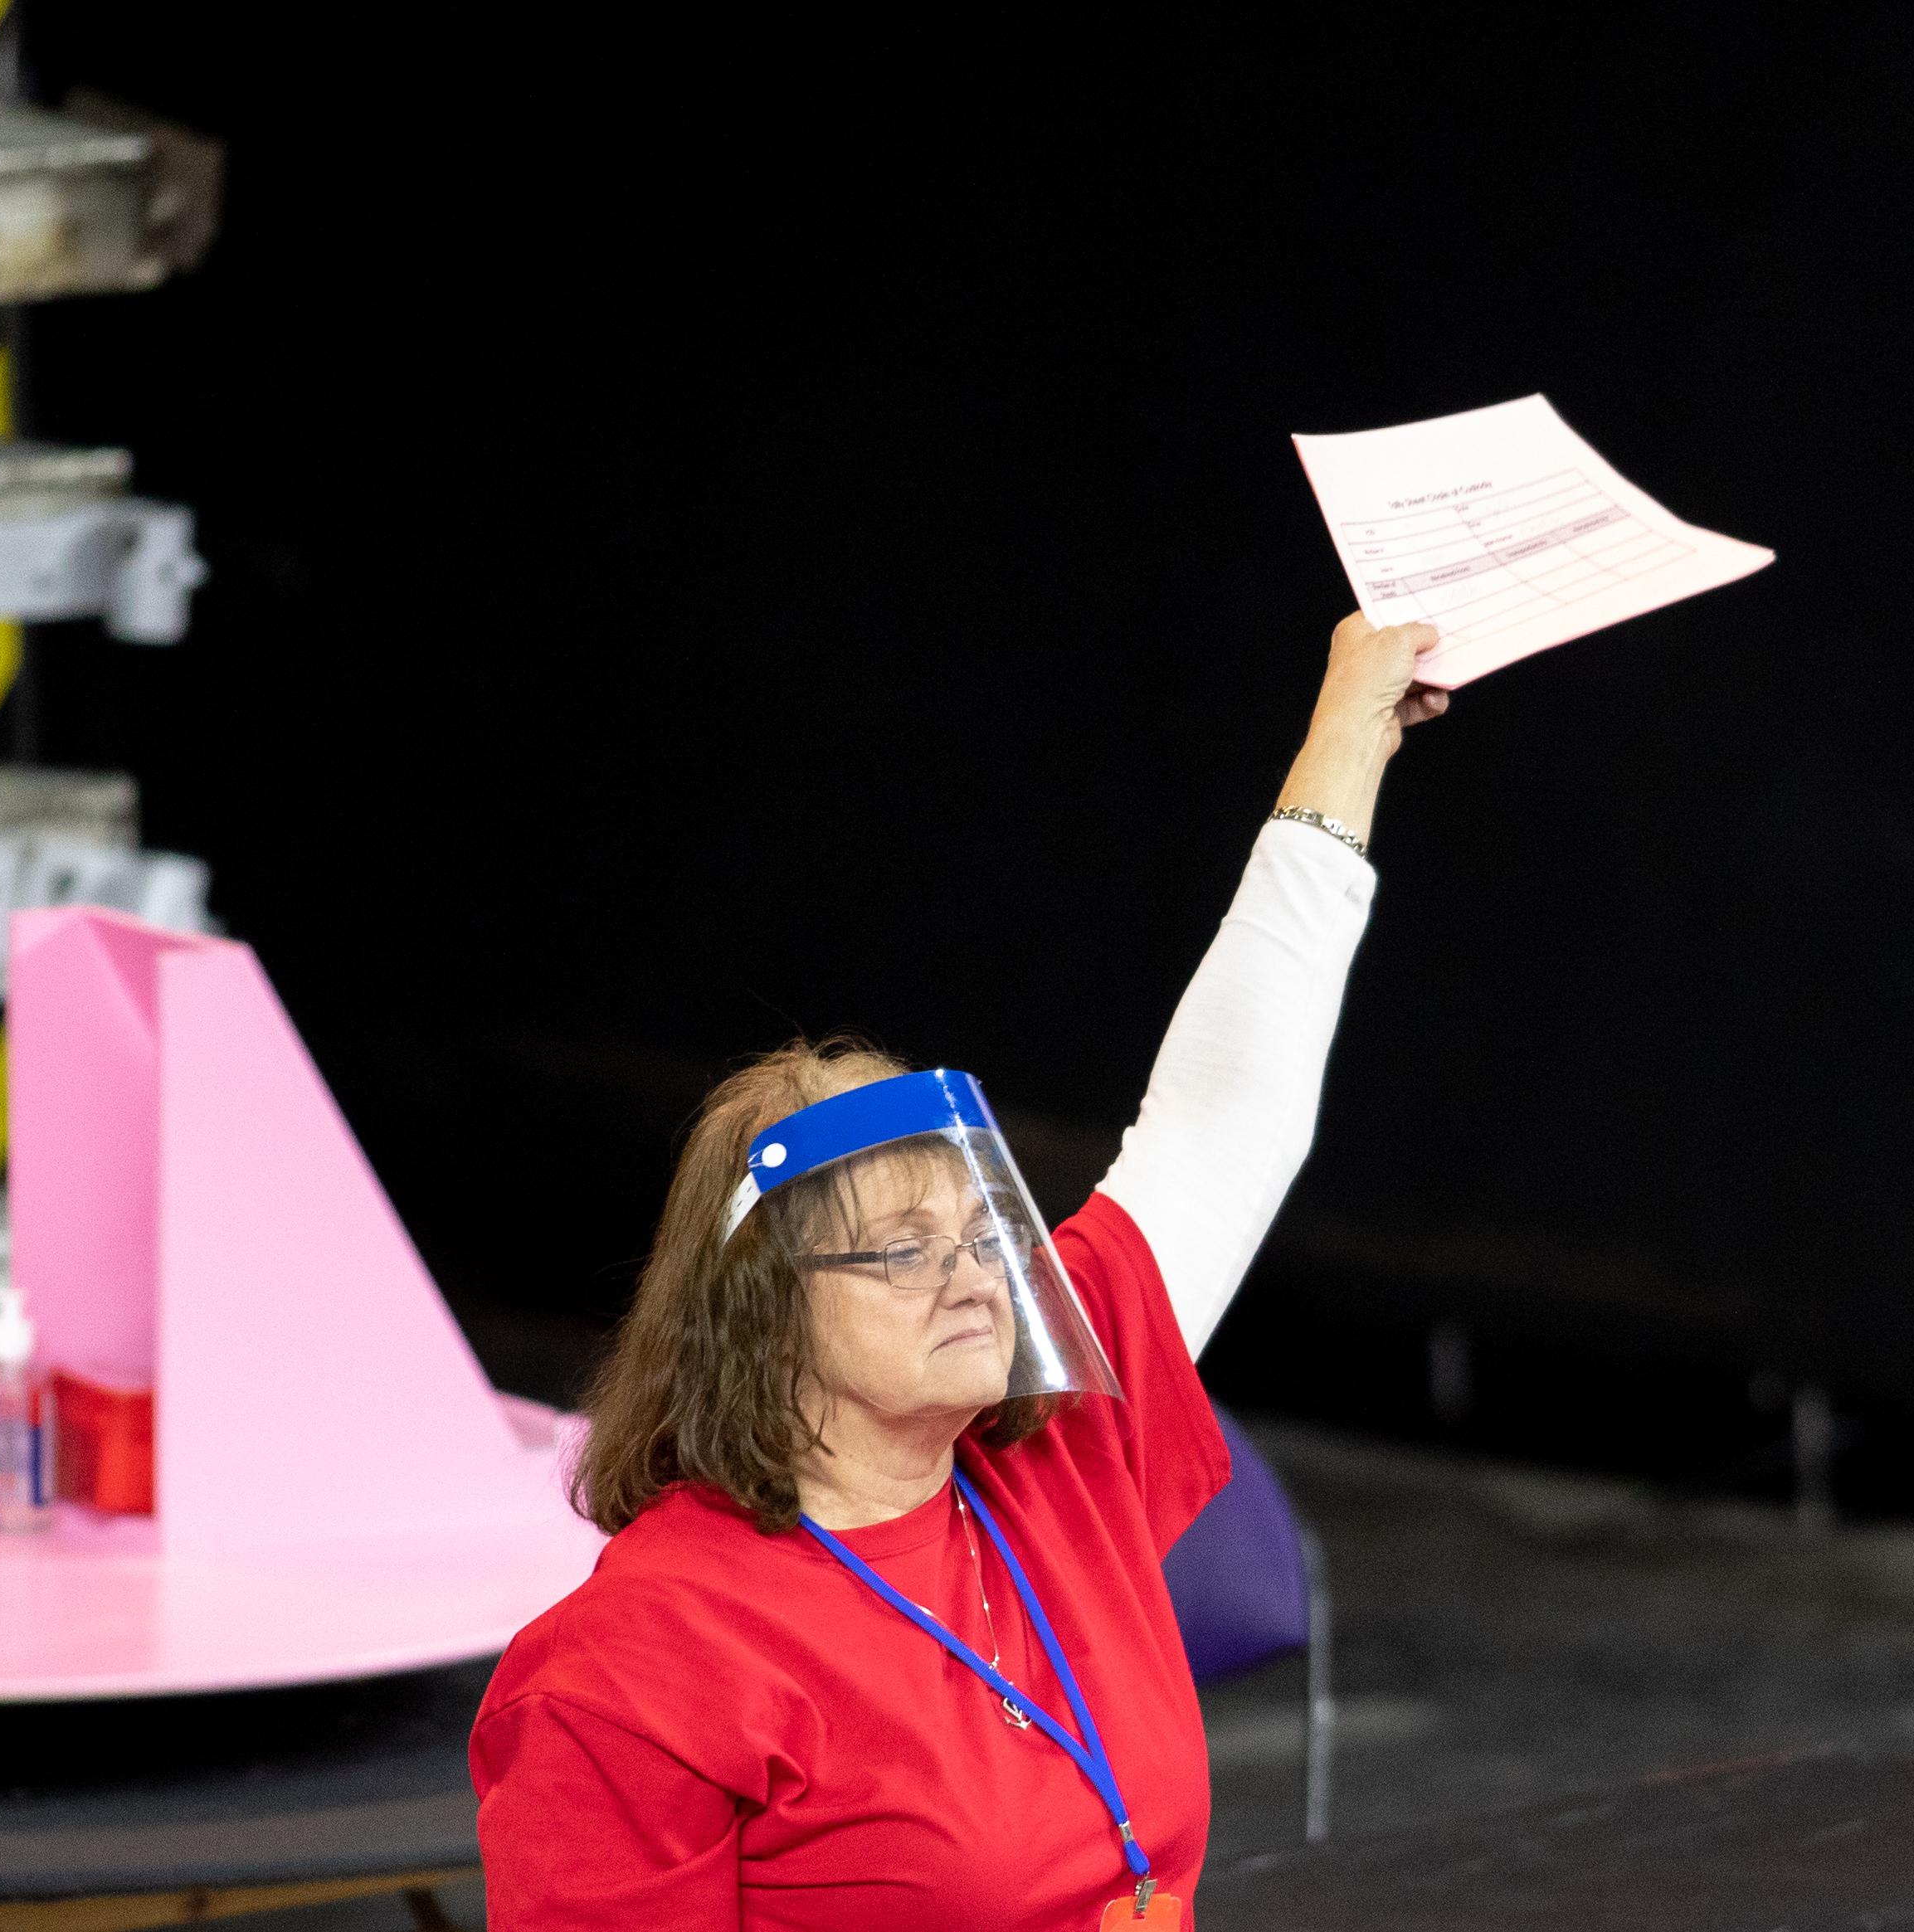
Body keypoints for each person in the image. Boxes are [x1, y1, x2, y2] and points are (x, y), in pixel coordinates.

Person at [470, 613, 1449, 1929]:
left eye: (988, 1230)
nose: (978, 1273)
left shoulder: (1053, 1450)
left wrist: (1351, 729)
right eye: (903, 1247)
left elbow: (1230, 1115)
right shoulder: (635, 1668)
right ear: (762, 1313)